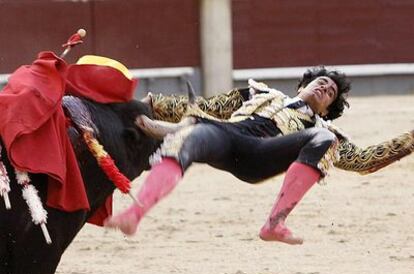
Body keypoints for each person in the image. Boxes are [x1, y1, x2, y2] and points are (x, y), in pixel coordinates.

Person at [105, 66, 414, 245]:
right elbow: (211, 107)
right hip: (224, 136)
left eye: (331, 92)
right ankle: (135, 214)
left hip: (261, 154)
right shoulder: (258, 93)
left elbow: (365, 159)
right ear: (303, 84)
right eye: (321, 82)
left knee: (322, 138)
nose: (324, 88)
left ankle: (275, 223)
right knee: (189, 135)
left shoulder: (321, 127)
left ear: (328, 109)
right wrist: (152, 101)